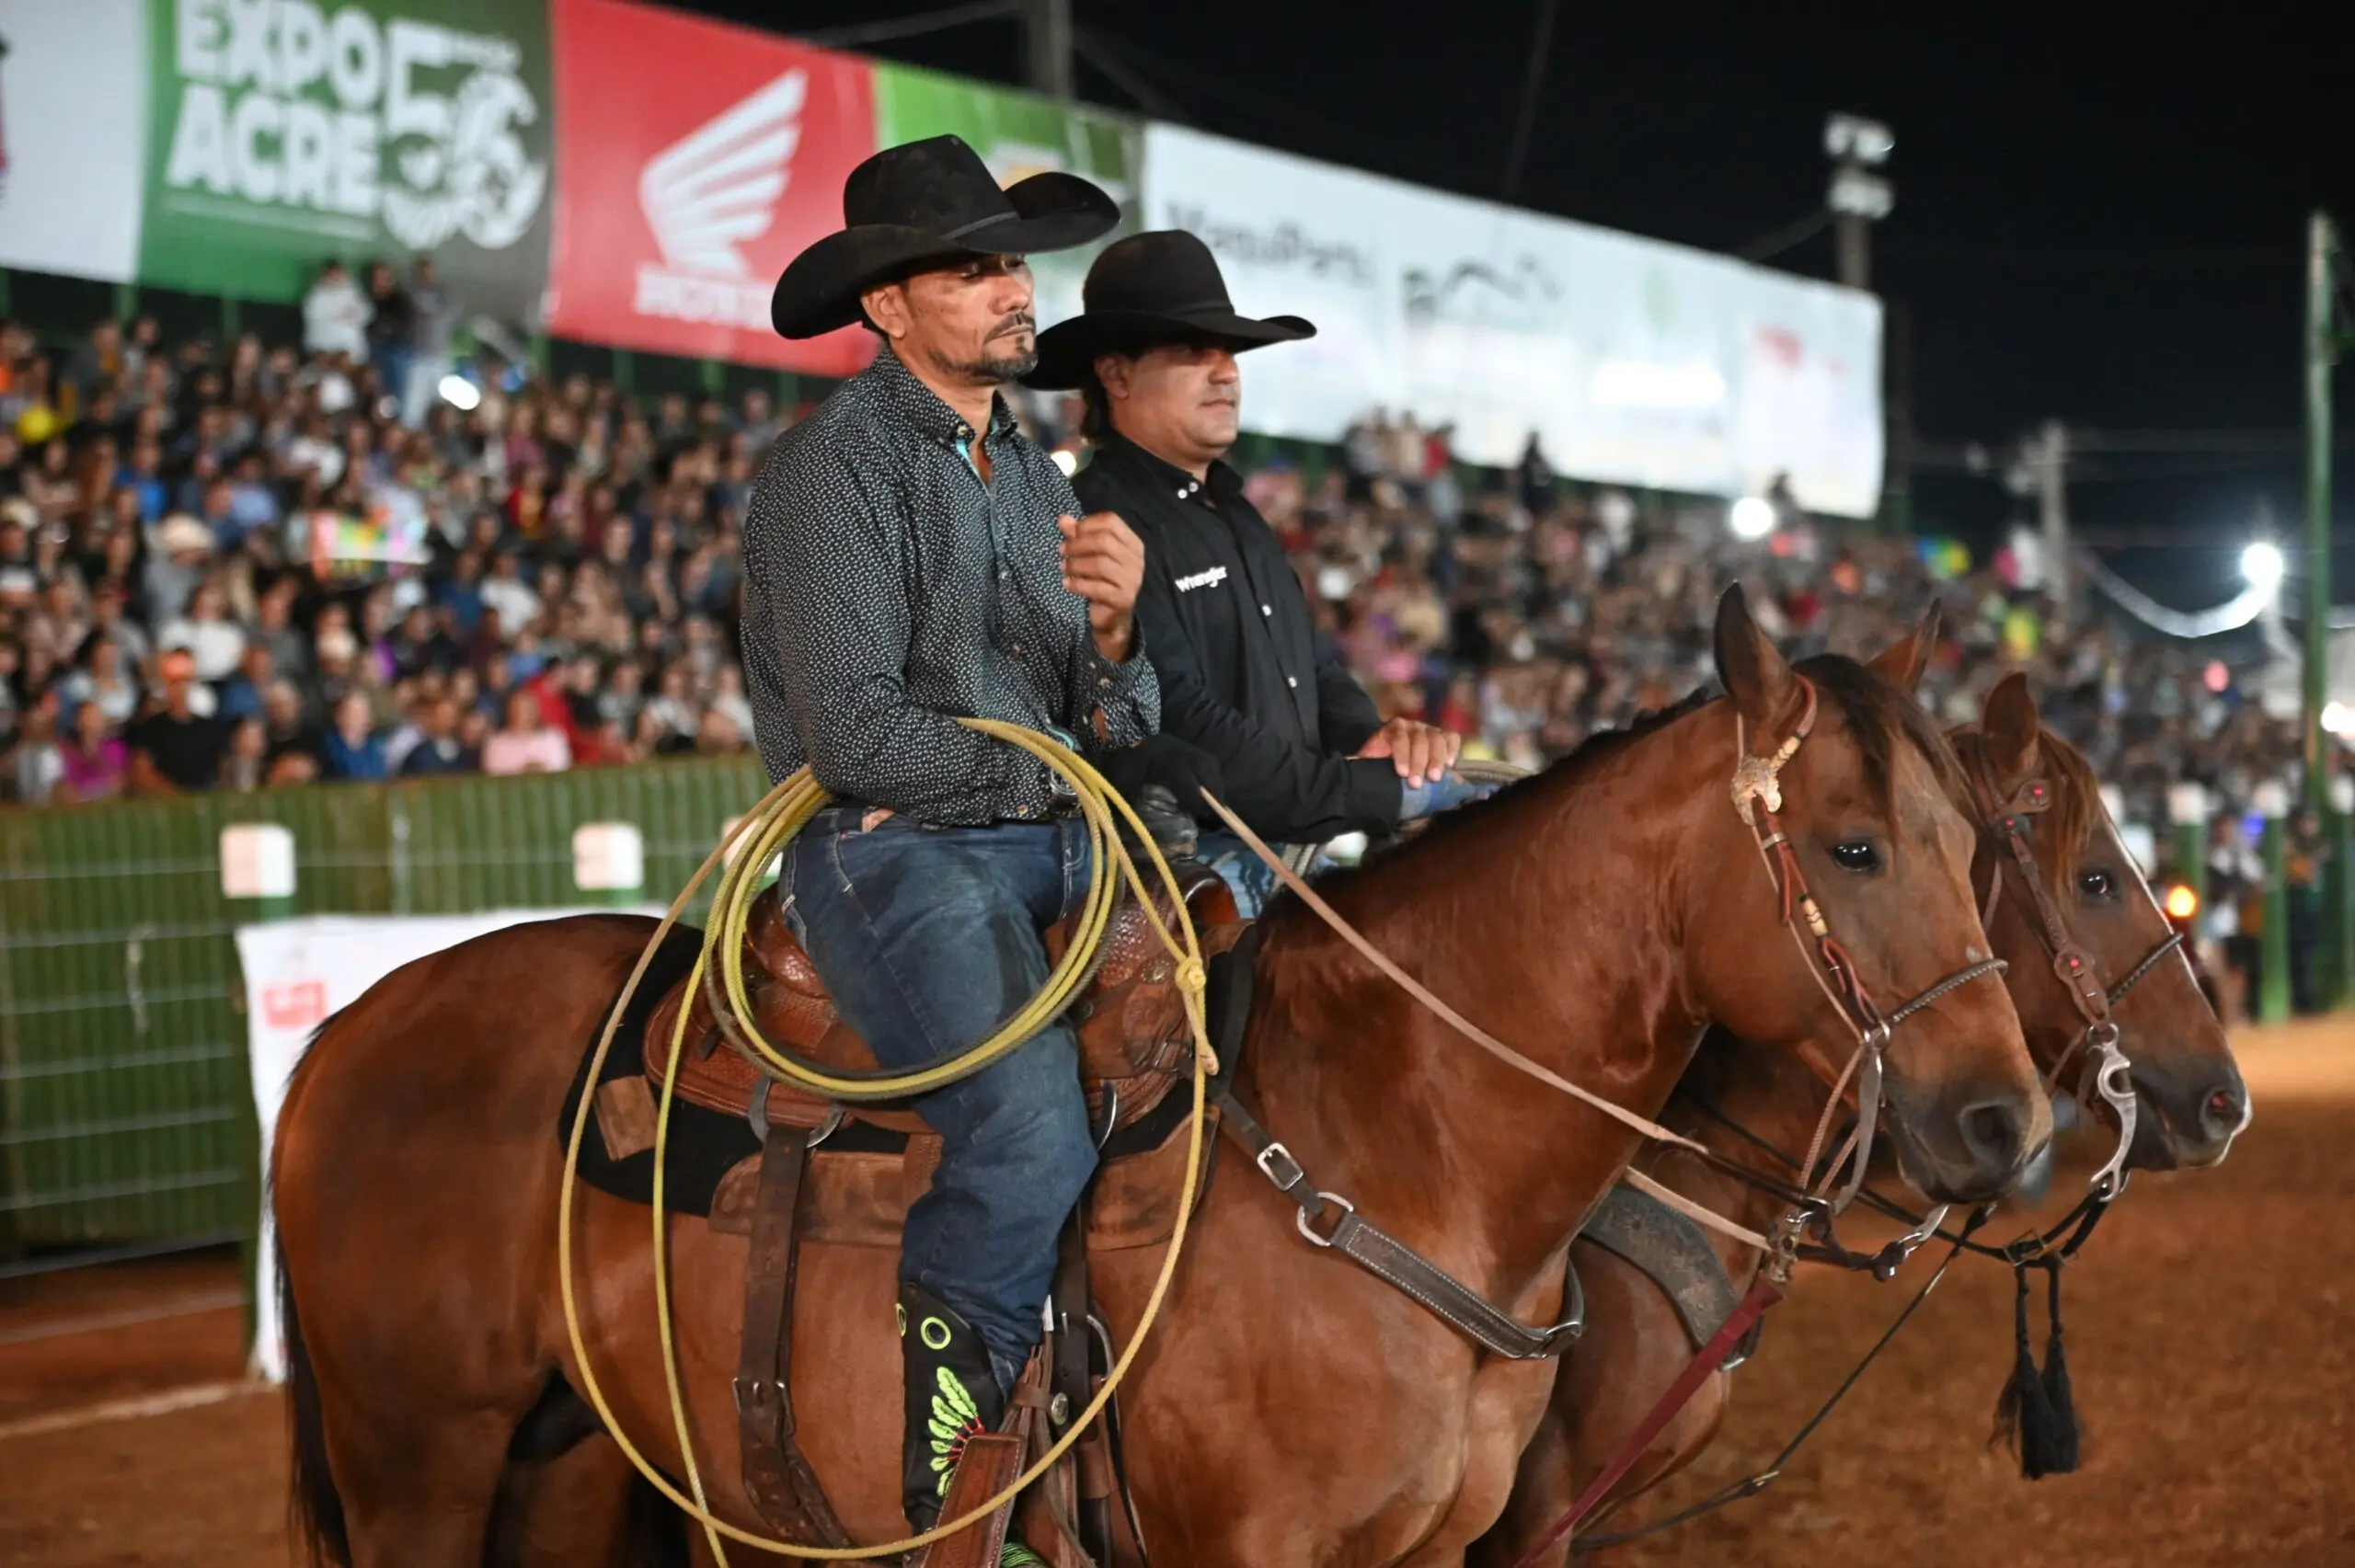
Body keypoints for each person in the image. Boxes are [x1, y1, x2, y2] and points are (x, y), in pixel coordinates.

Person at [752, 135, 1218, 1538]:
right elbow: (858, 738)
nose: (1016, 290)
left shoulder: (1033, 475)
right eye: (973, 270)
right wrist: (1054, 782)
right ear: (886, 305)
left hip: (1047, 831)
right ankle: (957, 1483)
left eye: (1013, 263)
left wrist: (1119, 639)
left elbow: (1110, 716)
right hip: (892, 850)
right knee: (1021, 1128)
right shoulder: (827, 472)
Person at [1028, 229, 1472, 914]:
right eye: (1191, 351)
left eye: (1229, 352)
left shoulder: (1239, 515)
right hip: (1185, 887)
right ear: (1115, 376)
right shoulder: (1094, 521)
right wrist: (1368, 792)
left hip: (1278, 866)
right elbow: (1179, 717)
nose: (1225, 372)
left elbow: (1311, 666)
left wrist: (1368, 735)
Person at [127, 649, 230, 794]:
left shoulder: (210, 728)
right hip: (166, 801)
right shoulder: (150, 729)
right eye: (174, 682)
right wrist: (175, 796)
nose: (180, 688)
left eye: (184, 681)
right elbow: (141, 771)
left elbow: (224, 770)